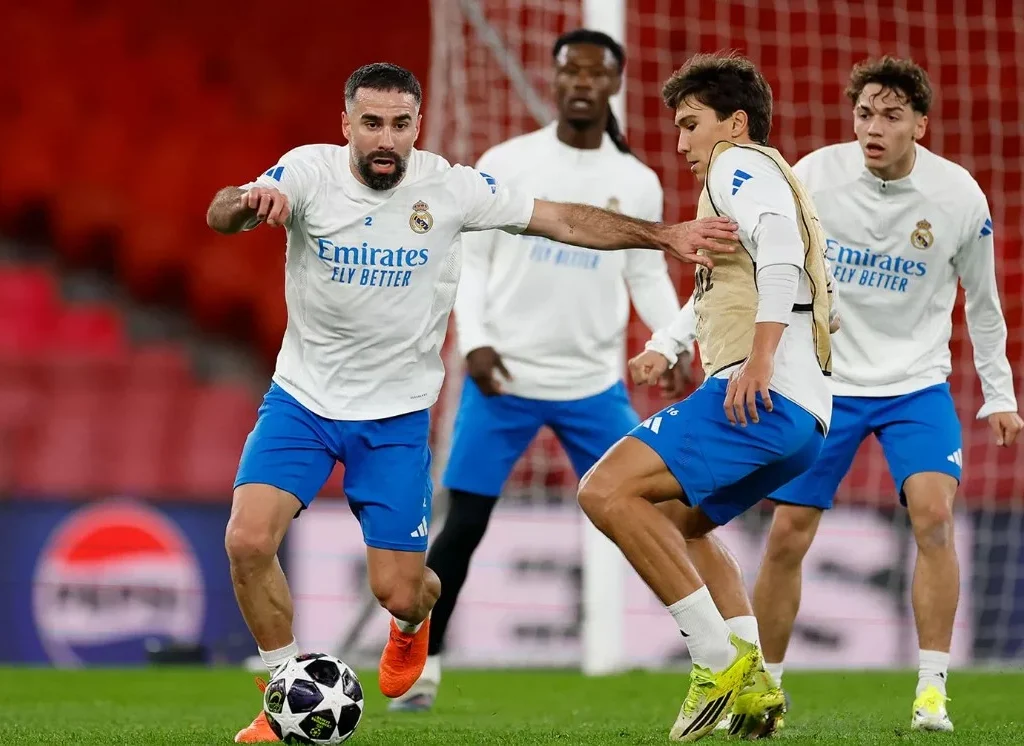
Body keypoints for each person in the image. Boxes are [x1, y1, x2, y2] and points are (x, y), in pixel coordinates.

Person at [204, 62, 738, 743]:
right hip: (302, 403)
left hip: (395, 418)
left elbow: (562, 220)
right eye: (371, 124)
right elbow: (222, 213)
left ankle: (414, 623)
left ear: (417, 126)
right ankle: (285, 695)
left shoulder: (450, 188)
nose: (385, 139)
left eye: (400, 124)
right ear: (346, 125)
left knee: (402, 590)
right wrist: (249, 201)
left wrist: (662, 235)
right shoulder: (307, 172)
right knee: (248, 541)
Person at [388, 28, 694, 713]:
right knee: (464, 526)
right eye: (569, 71)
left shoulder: (635, 181)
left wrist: (673, 343)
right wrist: (475, 344)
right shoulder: (510, 162)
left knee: (665, 515)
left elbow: (646, 274)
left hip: (594, 386)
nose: (581, 82)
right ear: (554, 79)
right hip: (505, 382)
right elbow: (471, 263)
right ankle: (423, 665)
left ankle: (712, 655)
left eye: (595, 72)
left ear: (614, 84)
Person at [743, 57, 1017, 732]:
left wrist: (1000, 395)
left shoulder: (959, 196)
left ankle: (931, 691)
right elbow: (761, 264)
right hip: (825, 381)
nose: (874, 127)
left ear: (920, 124)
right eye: (865, 113)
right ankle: (765, 688)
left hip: (915, 385)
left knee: (935, 516)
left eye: (892, 116)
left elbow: (983, 305)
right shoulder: (814, 175)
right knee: (787, 533)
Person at [577, 51, 838, 742]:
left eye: (691, 124)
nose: (682, 142)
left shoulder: (736, 164)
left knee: (604, 492)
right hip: (805, 417)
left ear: (735, 122)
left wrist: (759, 359)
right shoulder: (767, 175)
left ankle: (714, 661)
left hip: (762, 393)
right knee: (681, 524)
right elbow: (735, 283)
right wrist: (669, 344)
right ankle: (752, 681)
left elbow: (780, 253)